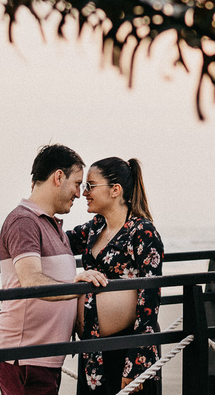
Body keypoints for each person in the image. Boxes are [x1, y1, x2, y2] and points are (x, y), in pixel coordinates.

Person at [0, 144, 109, 395]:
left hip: (43, 357)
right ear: (58, 177)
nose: (79, 193)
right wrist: (77, 286)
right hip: (23, 357)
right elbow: (31, 280)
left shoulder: (54, 226)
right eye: (77, 183)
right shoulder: (24, 221)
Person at [67, 157, 164, 394]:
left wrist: (137, 362)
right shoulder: (94, 227)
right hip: (93, 350)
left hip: (128, 347)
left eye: (90, 185)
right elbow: (56, 243)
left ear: (115, 190)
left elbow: (150, 298)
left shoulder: (142, 232)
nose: (84, 192)